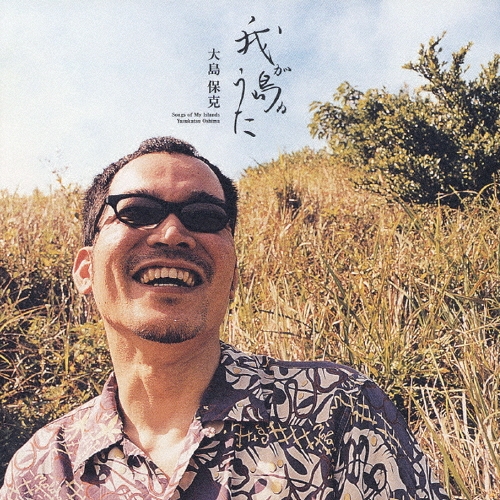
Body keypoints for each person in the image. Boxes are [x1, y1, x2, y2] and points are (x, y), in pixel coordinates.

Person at [0, 137, 450, 499]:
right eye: (137, 211)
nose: (173, 233)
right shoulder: (41, 471)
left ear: (232, 277)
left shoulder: (335, 407)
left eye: (204, 216)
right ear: (85, 270)